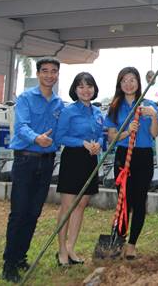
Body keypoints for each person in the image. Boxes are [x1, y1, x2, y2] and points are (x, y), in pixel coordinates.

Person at [2, 57, 64, 283]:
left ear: (57, 75)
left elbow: (62, 132)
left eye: (53, 71)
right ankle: (9, 264)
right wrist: (37, 138)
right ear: (38, 74)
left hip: (46, 163)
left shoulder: (59, 104)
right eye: (45, 71)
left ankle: (21, 257)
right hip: (25, 161)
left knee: (34, 212)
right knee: (19, 212)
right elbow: (21, 127)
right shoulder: (26, 98)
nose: (49, 75)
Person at [104, 67, 158, 260]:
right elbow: (111, 138)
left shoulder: (149, 105)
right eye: (124, 81)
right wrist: (128, 131)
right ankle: (118, 239)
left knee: (139, 201)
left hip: (144, 156)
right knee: (123, 200)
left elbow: (154, 134)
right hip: (123, 156)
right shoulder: (115, 107)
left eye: (132, 80)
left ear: (138, 82)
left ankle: (132, 244)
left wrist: (153, 116)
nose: (128, 84)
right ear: (119, 84)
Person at [54, 72, 103, 266]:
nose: (86, 90)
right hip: (72, 160)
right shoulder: (69, 111)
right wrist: (81, 143)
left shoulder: (97, 112)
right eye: (81, 86)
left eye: (89, 86)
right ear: (75, 90)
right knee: (67, 206)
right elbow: (59, 137)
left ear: (94, 89)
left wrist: (98, 144)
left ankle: (71, 248)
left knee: (81, 205)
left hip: (90, 161)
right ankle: (61, 251)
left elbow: (101, 135)